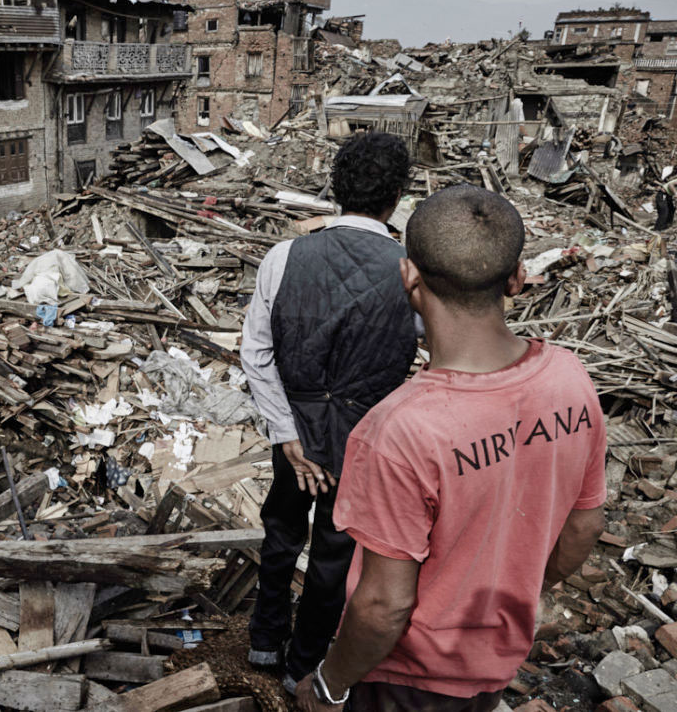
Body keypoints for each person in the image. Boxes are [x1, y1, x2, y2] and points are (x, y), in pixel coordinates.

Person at [296, 184, 607, 712]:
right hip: (494, 666)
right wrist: (518, 592)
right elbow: (585, 526)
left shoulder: (398, 430)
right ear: (516, 278)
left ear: (408, 276)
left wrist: (329, 684)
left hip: (406, 681)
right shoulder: (570, 380)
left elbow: (384, 605)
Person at [240, 132, 419, 691]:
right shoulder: (410, 273)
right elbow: (432, 355)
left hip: (293, 431)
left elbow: (255, 350)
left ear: (335, 190)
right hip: (362, 440)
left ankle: (264, 643)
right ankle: (303, 667)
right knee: (335, 555)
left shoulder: (285, 255)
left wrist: (287, 432)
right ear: (396, 198)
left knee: (280, 531)